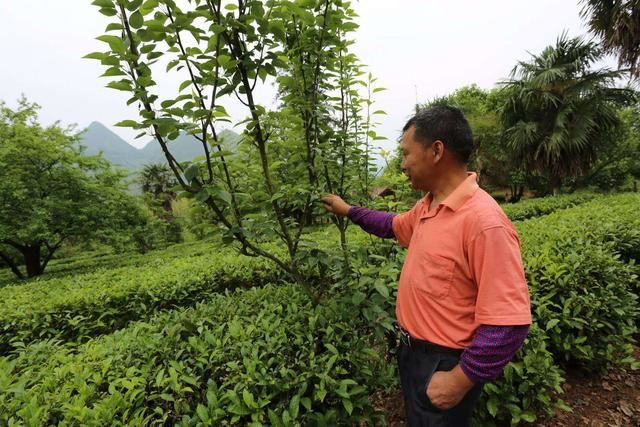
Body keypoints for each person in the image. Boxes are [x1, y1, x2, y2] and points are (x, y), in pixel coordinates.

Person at [322, 106, 531, 426]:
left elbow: (509, 323)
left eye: (406, 154)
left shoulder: (484, 223)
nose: (402, 164)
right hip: (414, 354)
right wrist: (348, 210)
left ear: (436, 150)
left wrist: (460, 379)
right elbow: (392, 225)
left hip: (444, 364)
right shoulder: (429, 206)